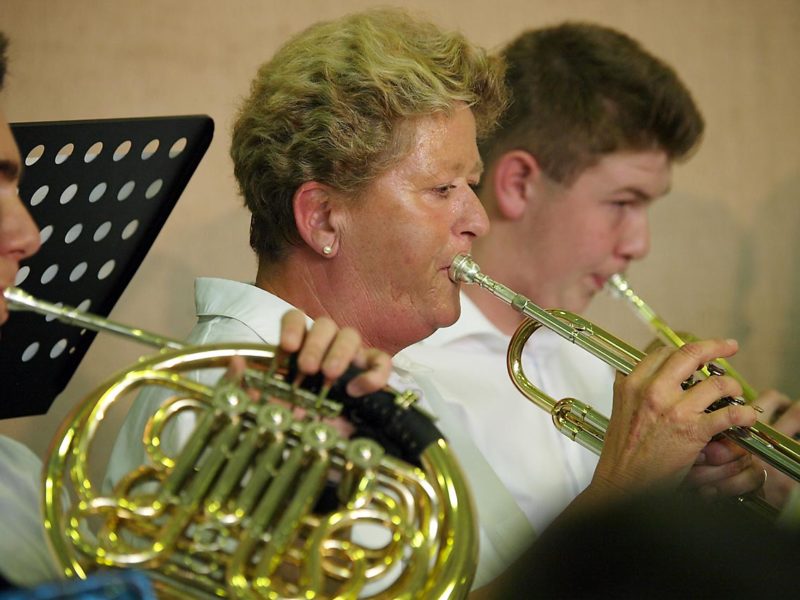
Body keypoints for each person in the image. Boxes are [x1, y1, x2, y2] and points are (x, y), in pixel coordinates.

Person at [105, 9, 764, 592]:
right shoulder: (233, 399)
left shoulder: (393, 377)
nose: (478, 220)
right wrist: (621, 489)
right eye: (442, 189)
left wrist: (666, 497)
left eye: (471, 185)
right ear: (323, 219)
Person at [403, 21, 798, 587]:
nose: (639, 243)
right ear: (517, 184)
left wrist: (716, 503)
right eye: (622, 202)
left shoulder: (598, 369)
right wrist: (626, 486)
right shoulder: (407, 373)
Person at [0, 30, 391, 591]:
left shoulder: (13, 478)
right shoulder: (217, 371)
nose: (29, 235)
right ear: (323, 218)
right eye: (444, 188)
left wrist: (295, 500)